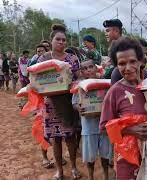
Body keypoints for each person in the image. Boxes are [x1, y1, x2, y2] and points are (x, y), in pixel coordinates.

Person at [99, 37, 147, 179]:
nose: (127, 68)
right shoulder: (115, 92)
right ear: (116, 66)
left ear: (141, 61)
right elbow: (103, 127)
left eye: (132, 61)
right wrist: (129, 130)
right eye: (122, 63)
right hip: (127, 157)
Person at [37, 24, 81, 180]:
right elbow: (37, 79)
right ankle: (60, 171)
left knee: (70, 137)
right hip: (51, 104)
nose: (61, 42)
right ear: (52, 40)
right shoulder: (43, 59)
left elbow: (78, 79)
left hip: (68, 102)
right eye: (58, 39)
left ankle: (74, 167)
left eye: (64, 40)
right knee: (55, 138)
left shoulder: (72, 58)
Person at [73, 57, 112, 180]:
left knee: (105, 155)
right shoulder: (79, 86)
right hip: (88, 127)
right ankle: (91, 177)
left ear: (96, 68)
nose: (88, 70)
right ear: (81, 72)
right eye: (85, 68)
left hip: (104, 126)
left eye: (90, 67)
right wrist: (78, 108)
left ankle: (106, 175)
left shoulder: (105, 83)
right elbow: (74, 103)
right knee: (90, 157)